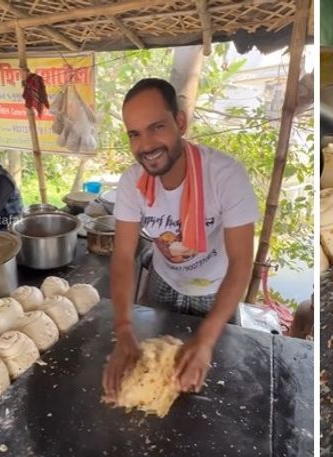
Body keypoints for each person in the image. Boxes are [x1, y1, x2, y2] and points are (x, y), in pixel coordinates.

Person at [102, 78, 259, 396]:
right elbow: (122, 256)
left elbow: (242, 261)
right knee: (156, 378)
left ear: (181, 122)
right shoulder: (132, 183)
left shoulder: (225, 176)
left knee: (213, 385)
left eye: (156, 127)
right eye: (135, 133)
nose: (145, 145)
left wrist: (206, 338)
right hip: (163, 285)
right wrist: (123, 328)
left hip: (215, 291)